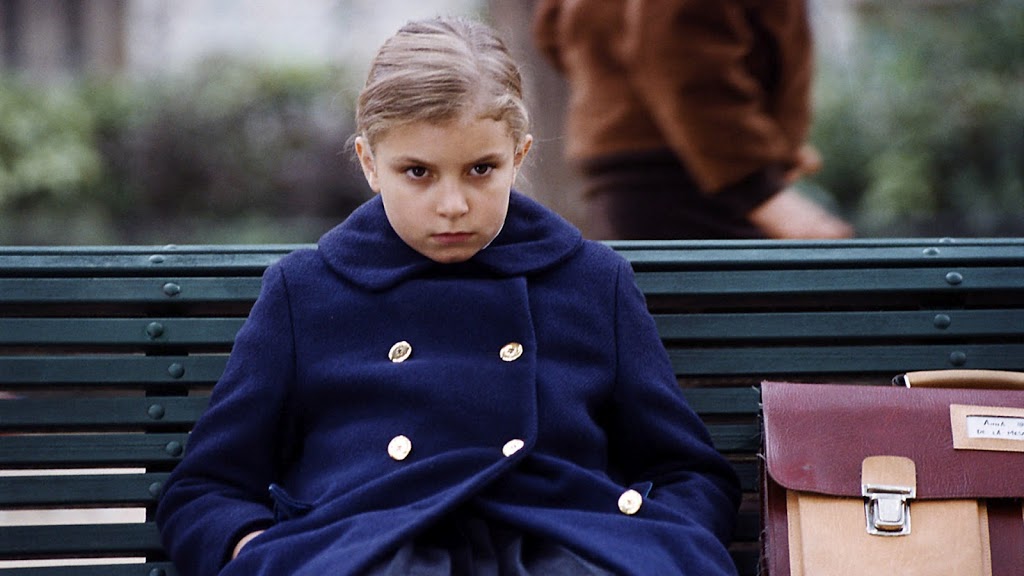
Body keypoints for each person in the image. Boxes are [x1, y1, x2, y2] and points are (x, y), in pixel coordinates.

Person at [155, 16, 741, 576]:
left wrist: (654, 549)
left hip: (563, 547)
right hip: (371, 551)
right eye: (418, 172)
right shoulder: (307, 292)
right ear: (369, 163)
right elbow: (208, 486)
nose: (453, 205)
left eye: (481, 169)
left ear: (518, 157)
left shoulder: (590, 281)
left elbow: (687, 470)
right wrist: (261, 553)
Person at [532, 0, 854, 240]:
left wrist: (617, 98)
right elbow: (675, 41)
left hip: (635, 179)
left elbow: (553, 28)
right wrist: (758, 189)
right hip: (694, 182)